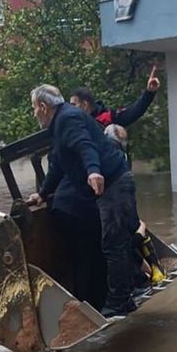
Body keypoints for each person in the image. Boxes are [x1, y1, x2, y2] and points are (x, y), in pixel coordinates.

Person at [28, 84, 139, 318]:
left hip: (113, 182)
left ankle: (120, 301)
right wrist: (43, 193)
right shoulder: (59, 125)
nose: (33, 113)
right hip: (110, 182)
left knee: (113, 243)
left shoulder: (67, 119)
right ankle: (123, 296)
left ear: (43, 106)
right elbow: (58, 164)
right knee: (113, 241)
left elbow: (84, 145)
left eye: (33, 108)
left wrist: (93, 171)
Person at [70, 66, 161, 129]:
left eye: (74, 104)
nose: (71, 109)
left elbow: (134, 112)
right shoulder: (74, 126)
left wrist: (149, 93)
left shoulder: (108, 118)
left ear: (84, 105)